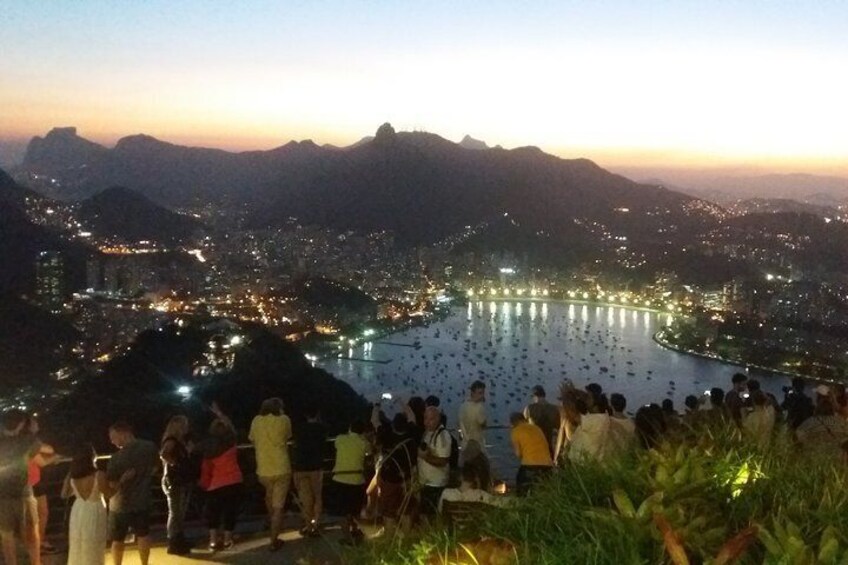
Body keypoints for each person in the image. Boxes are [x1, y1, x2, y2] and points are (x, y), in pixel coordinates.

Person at [105, 421, 158, 565]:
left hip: (120, 503)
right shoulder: (150, 447)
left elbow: (111, 483)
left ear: (124, 433)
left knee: (118, 539)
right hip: (142, 499)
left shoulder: (116, 458)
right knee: (143, 534)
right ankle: (144, 563)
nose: (112, 440)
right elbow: (154, 469)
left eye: (114, 436)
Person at [248, 398, 292, 552]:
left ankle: (273, 521)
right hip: (281, 467)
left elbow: (252, 441)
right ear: (279, 408)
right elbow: (288, 436)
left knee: (269, 497)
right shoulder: (284, 419)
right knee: (278, 506)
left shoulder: (256, 421)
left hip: (263, 469)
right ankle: (274, 540)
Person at [0, 409, 41, 565]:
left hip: (2, 496)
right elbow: (41, 450)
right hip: (23, 493)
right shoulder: (26, 441)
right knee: (32, 532)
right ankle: (35, 563)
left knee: (6, 536)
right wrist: (33, 430)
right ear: (21, 424)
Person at [199, 403, 243, 551]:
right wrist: (220, 414)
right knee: (230, 511)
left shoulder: (207, 445)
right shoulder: (231, 441)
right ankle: (227, 539)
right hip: (233, 481)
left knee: (214, 512)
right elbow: (232, 428)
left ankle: (212, 541)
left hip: (214, 483)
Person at [371, 398, 418, 535]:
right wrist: (401, 402)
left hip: (389, 479)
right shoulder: (411, 433)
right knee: (406, 511)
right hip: (406, 479)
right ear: (406, 425)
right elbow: (412, 416)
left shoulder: (386, 435)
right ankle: (406, 541)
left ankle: (389, 540)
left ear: (393, 425)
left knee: (389, 512)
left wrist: (377, 404)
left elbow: (374, 421)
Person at [62, 445, 109, 565]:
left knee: (78, 542)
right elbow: (108, 493)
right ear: (92, 456)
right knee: (94, 542)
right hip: (95, 508)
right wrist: (121, 483)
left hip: (78, 509)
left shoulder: (72, 475)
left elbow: (64, 494)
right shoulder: (98, 474)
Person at [331, 419, 369, 545]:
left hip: (340, 479)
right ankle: (356, 529)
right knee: (355, 509)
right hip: (357, 480)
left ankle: (347, 538)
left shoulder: (340, 439)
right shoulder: (364, 443)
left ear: (350, 428)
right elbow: (369, 452)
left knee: (342, 512)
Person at [160, 414, 194, 555]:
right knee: (176, 512)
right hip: (175, 480)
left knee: (178, 512)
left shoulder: (176, 441)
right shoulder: (172, 440)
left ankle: (177, 538)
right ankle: (174, 540)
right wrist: (175, 463)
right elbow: (164, 454)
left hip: (178, 479)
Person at [26, 415, 59, 556]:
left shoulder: (28, 442)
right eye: (34, 423)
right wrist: (54, 458)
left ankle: (37, 542)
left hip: (29, 481)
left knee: (35, 515)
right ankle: (38, 543)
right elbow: (44, 459)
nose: (37, 424)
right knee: (42, 513)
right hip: (33, 482)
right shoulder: (30, 442)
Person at [292, 404, 326, 537]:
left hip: (300, 466)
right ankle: (316, 524)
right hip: (316, 466)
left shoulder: (298, 429)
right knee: (317, 496)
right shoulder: (322, 428)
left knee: (305, 499)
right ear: (317, 415)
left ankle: (308, 525)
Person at [795, 385, 848, 462]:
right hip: (835, 460)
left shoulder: (810, 422)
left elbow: (798, 437)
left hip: (813, 458)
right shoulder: (841, 422)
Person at [418, 406, 452, 517]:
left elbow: (443, 461)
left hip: (435, 484)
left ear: (438, 419)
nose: (427, 422)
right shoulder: (427, 432)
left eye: (431, 419)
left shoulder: (442, 436)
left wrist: (425, 457)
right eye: (425, 418)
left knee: (429, 515)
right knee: (424, 514)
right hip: (425, 482)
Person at [509, 413, 553, 496]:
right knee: (546, 493)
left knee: (522, 489)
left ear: (513, 423)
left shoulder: (516, 431)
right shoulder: (537, 428)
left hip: (530, 466)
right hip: (548, 465)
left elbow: (518, 454)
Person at [438, 465, 506, 512]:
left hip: (453, 528)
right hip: (473, 528)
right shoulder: (480, 495)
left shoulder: (447, 493)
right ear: (475, 479)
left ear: (460, 477)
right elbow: (500, 504)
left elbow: (440, 510)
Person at [523, 385, 561, 456]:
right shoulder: (554, 409)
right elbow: (558, 427)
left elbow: (523, 427)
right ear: (544, 395)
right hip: (548, 447)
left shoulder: (529, 409)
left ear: (534, 396)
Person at [459, 380, 487, 453]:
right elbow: (483, 424)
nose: (482, 395)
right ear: (472, 392)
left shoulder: (463, 406)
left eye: (483, 393)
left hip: (465, 444)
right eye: (480, 393)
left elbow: (460, 422)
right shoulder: (479, 408)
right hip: (477, 445)